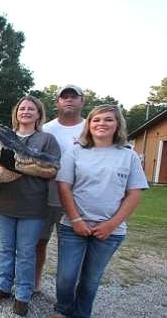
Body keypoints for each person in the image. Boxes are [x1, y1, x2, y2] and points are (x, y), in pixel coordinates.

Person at [51, 105, 148, 318]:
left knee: (90, 278)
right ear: (89, 125)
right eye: (96, 120)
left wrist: (111, 225)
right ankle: (63, 309)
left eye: (108, 120)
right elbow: (63, 187)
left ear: (117, 125)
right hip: (73, 226)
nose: (101, 124)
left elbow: (134, 194)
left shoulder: (128, 156)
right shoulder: (75, 151)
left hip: (110, 231)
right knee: (66, 277)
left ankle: (81, 314)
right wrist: (76, 219)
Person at [0, 96, 61, 316]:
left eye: (31, 108)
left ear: (39, 115)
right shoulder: (4, 137)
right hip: (2, 204)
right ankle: (3, 286)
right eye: (22, 108)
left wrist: (13, 167)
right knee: (5, 248)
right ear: (16, 112)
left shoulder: (47, 140)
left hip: (33, 206)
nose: (26, 111)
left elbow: (52, 168)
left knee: (27, 252)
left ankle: (23, 295)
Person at [35, 85, 86, 293]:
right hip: (46, 195)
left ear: (82, 101)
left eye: (74, 97)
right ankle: (34, 283)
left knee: (71, 247)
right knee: (40, 241)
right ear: (57, 102)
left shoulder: (89, 129)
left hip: (78, 196)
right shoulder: (46, 129)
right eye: (64, 97)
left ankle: (67, 292)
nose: (69, 100)